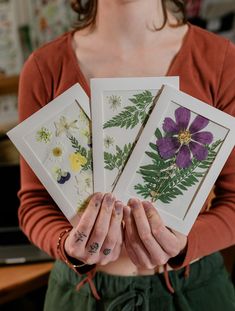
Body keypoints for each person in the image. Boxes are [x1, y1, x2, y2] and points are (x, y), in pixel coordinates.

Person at [17, 0, 235, 310]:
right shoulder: (44, 68)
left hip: (193, 291)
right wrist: (67, 244)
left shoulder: (221, 61)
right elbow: (34, 204)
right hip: (82, 294)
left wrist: (187, 243)